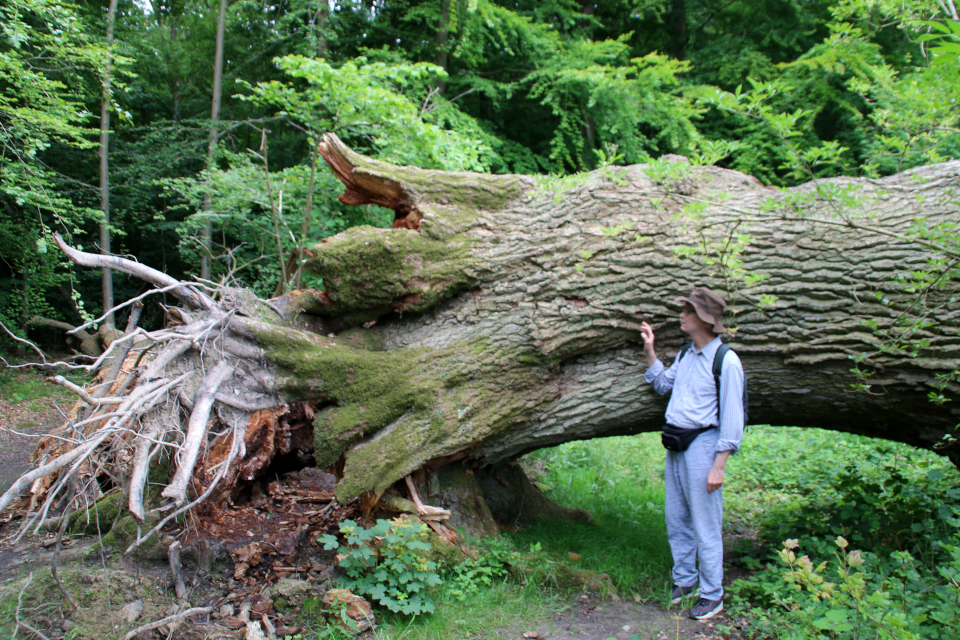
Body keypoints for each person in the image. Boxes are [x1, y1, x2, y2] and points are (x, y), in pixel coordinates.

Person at [639, 287, 745, 621]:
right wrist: (650, 350)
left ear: (704, 319)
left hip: (703, 448)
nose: (682, 316)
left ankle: (712, 595)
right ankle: (685, 582)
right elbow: (663, 385)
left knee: (705, 524)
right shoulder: (687, 354)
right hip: (676, 446)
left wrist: (719, 466)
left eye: (687, 311)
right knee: (677, 518)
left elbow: (732, 417)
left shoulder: (725, 361)